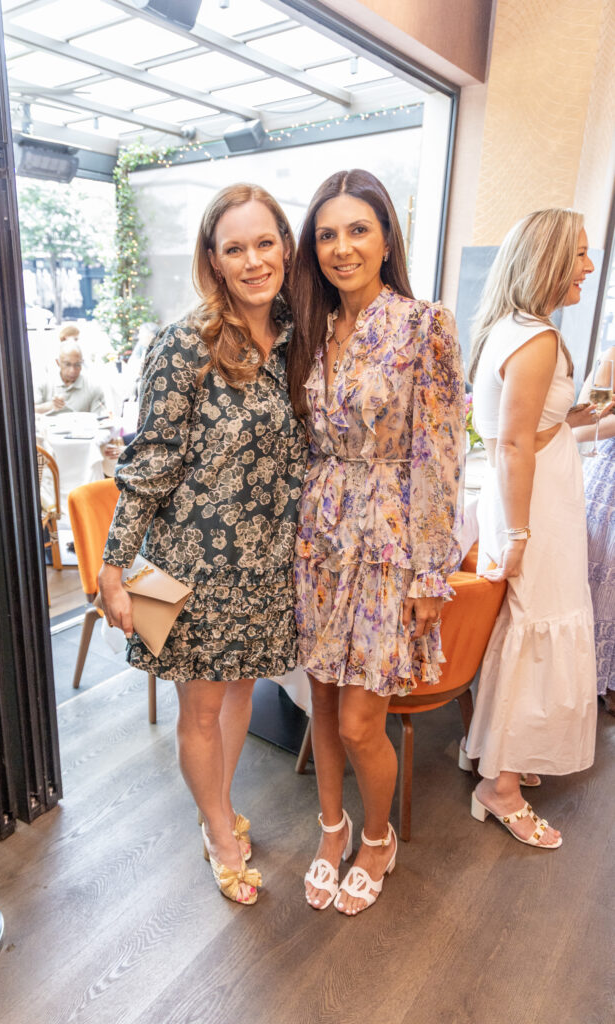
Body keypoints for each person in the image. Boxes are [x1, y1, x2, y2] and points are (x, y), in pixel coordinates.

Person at [98, 184, 307, 905]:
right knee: (199, 712)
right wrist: (112, 563)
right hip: (182, 566)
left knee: (241, 697)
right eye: (234, 248)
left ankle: (218, 805)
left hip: (264, 566)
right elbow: (148, 459)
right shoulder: (182, 343)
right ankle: (216, 828)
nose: (253, 260)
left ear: (284, 244)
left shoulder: (297, 336)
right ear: (213, 262)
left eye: (264, 242)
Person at [288, 169, 465, 916]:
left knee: (363, 719)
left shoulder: (425, 325)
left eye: (357, 230)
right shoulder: (308, 328)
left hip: (389, 539)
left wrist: (431, 573)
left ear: (386, 238)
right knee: (321, 704)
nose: (340, 247)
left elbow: (441, 456)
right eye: (326, 234)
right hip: (319, 534)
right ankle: (330, 831)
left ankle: (378, 837)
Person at [464, 208, 598, 848]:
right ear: (546, 259)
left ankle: (501, 754)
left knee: (524, 629)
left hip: (531, 498)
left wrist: (586, 419)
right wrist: (517, 537)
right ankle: (502, 786)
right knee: (536, 628)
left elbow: (533, 432)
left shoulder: (510, 329)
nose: (588, 267)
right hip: (534, 507)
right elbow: (516, 443)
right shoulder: (537, 338)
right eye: (578, 254)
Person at [573, 345, 615, 714]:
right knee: (597, 581)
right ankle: (588, 677)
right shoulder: (609, 356)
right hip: (606, 484)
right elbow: (586, 424)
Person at [34, 340, 107, 417]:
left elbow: (100, 419)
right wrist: (50, 406)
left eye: (77, 364)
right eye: (67, 364)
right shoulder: (44, 383)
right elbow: (30, 412)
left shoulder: (93, 387)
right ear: (58, 362)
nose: (73, 370)